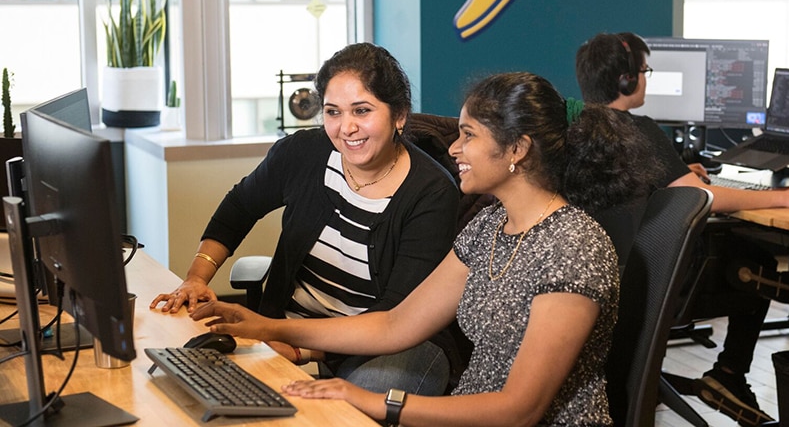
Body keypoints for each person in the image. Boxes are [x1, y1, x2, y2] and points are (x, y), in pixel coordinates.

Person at [190, 72, 655, 427]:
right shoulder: (490, 226)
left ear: (517, 149)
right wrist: (267, 326)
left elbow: (520, 410)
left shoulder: (573, 247)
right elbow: (396, 325)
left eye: (469, 135)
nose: (453, 147)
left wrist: (372, 400)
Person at [151, 42, 461, 396]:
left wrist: (299, 348)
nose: (346, 128)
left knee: (356, 404)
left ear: (400, 115)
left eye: (362, 111)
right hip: (289, 327)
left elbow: (395, 317)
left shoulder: (432, 193)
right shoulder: (304, 153)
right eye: (333, 112)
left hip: (393, 344)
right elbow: (239, 207)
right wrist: (196, 277)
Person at [576, 31, 789, 426]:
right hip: (653, 290)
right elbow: (703, 197)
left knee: (748, 264)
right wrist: (787, 197)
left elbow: (644, 185)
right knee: (757, 259)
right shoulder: (639, 130)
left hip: (604, 284)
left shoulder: (578, 129)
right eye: (644, 70)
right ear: (627, 80)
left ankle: (733, 360)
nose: (645, 78)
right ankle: (731, 371)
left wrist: (680, 173)